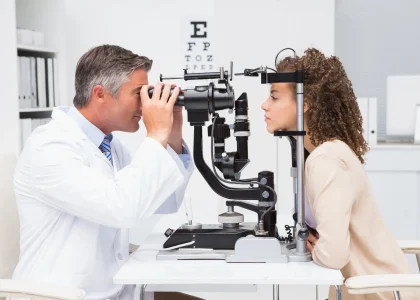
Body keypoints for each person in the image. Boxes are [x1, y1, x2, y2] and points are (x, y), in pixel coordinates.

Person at [12, 45, 200, 300]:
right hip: (63, 295)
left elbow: (165, 201)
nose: (145, 105)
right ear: (100, 94)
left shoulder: (109, 146)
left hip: (116, 291)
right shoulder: (49, 147)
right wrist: (155, 134)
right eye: (138, 94)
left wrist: (172, 135)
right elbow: (121, 208)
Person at [261, 48, 418, 300]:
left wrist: (317, 247)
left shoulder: (326, 159)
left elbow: (332, 254)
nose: (264, 105)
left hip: (377, 295)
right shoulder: (317, 154)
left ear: (304, 104)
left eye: (275, 97)